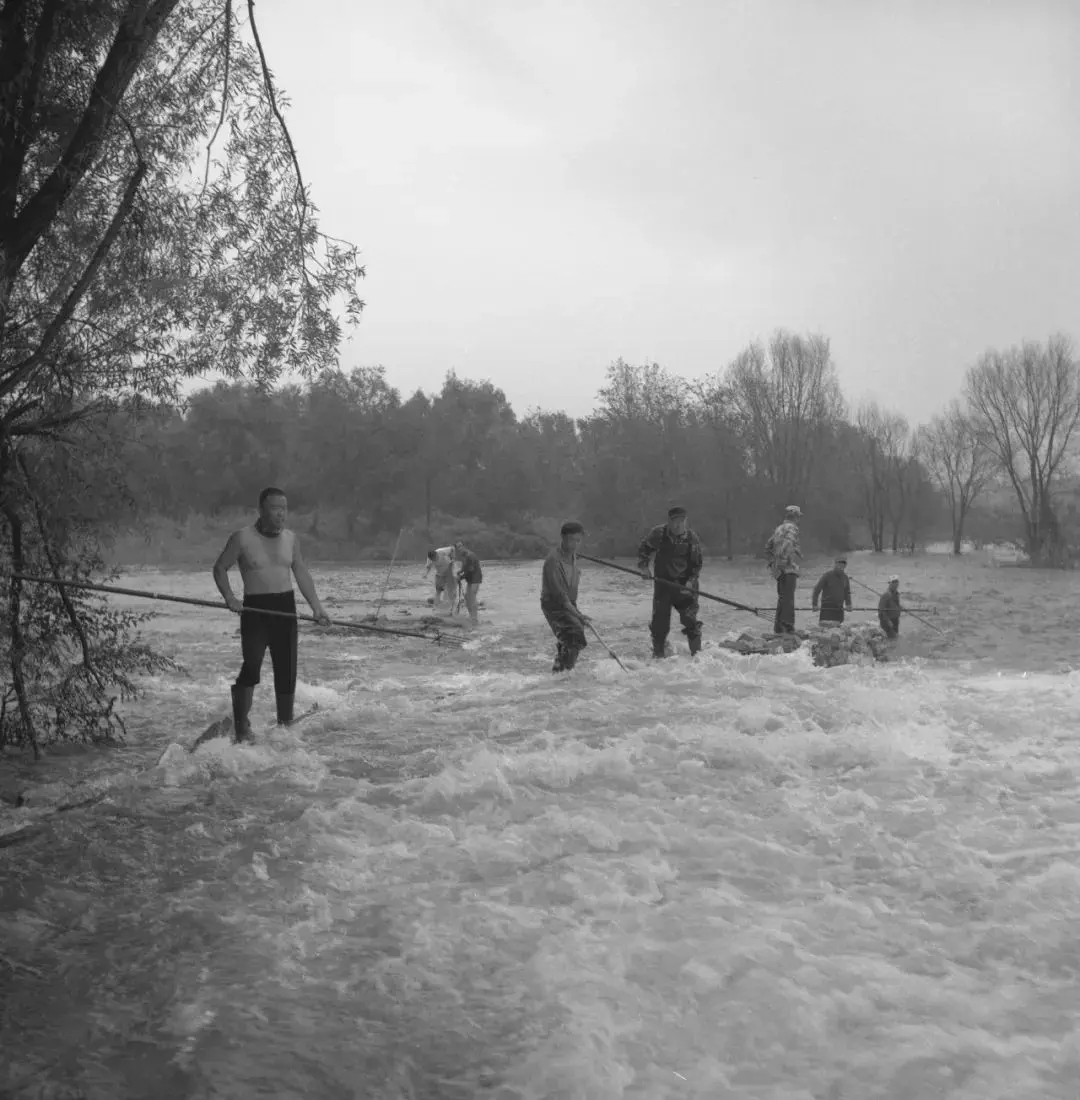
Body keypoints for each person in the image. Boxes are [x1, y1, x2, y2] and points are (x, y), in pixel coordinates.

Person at [212, 487, 331, 742]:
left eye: (284, 509)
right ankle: (242, 726)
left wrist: (317, 607)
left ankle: (285, 725)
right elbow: (220, 568)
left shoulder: (291, 539)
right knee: (252, 667)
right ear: (262, 511)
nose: (281, 514)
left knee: (286, 669)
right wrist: (230, 598)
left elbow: (301, 573)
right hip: (255, 610)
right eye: (275, 508)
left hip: (285, 609)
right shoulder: (241, 538)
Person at [637, 506, 704, 658]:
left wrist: (689, 583)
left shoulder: (692, 539)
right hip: (663, 585)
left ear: (685, 522)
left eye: (681, 522)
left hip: (685, 587)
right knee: (659, 624)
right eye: (674, 522)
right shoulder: (658, 534)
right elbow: (644, 549)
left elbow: (696, 566)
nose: (677, 525)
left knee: (689, 620)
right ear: (669, 521)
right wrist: (644, 568)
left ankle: (697, 657)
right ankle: (658, 656)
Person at [541, 521, 590, 672]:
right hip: (555, 604)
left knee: (572, 634)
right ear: (563, 538)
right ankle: (562, 672)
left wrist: (577, 614)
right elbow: (560, 597)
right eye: (571, 540)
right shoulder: (553, 562)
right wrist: (579, 615)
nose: (574, 544)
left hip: (569, 602)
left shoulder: (572, 556)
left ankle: (561, 666)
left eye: (578, 540)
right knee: (574, 635)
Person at [765, 505, 802, 634]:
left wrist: (773, 563)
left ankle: (779, 628)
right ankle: (788, 626)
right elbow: (788, 543)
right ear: (796, 517)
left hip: (778, 570)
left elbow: (768, 546)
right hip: (788, 568)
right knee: (788, 598)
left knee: (782, 597)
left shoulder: (778, 529)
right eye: (798, 517)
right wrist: (786, 561)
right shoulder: (792, 528)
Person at [811, 556, 853, 624]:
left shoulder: (845, 578)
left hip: (839, 608)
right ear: (835, 564)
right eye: (839, 563)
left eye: (843, 564)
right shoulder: (827, 575)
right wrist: (814, 604)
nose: (841, 565)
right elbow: (816, 590)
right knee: (826, 629)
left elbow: (847, 593)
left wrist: (849, 604)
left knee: (838, 630)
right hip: (827, 607)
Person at [453, 538, 483, 625]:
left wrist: (461, 577)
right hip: (470, 579)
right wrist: (460, 571)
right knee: (467, 597)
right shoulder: (464, 556)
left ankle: (474, 618)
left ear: (464, 546)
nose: (459, 549)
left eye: (460, 546)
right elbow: (465, 567)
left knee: (472, 597)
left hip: (475, 579)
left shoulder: (471, 556)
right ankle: (471, 616)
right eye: (458, 548)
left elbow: (470, 570)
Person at [878, 574, 902, 639]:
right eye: (893, 582)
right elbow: (881, 611)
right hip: (888, 621)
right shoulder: (886, 595)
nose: (895, 584)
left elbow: (895, 605)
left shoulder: (896, 594)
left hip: (895, 620)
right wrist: (888, 621)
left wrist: (900, 608)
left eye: (896, 582)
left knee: (895, 638)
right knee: (892, 638)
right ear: (890, 583)